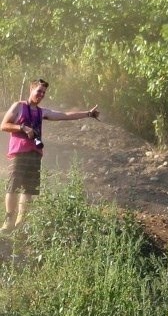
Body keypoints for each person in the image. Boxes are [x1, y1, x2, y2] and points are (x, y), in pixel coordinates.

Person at [0, 79, 100, 233]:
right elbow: (4, 125)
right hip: (19, 152)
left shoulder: (42, 112)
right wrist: (22, 127)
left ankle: (20, 224)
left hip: (35, 153)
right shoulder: (19, 106)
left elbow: (64, 115)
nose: (41, 95)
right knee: (13, 186)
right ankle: (8, 221)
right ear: (31, 89)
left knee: (28, 190)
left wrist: (88, 114)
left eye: (44, 93)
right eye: (39, 91)